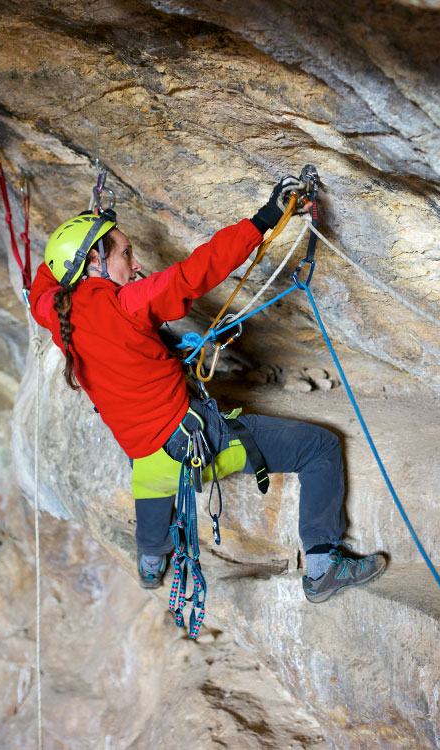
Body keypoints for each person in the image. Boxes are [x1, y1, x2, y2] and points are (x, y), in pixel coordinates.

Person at [29, 175, 386, 603]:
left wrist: (88, 234)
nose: (137, 264)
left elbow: (43, 282)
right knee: (321, 448)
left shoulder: (55, 312)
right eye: (126, 254)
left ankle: (150, 563)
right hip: (193, 446)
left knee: (152, 490)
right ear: (93, 264)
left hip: (145, 461)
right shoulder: (129, 303)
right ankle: (324, 566)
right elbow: (196, 271)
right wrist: (265, 219)